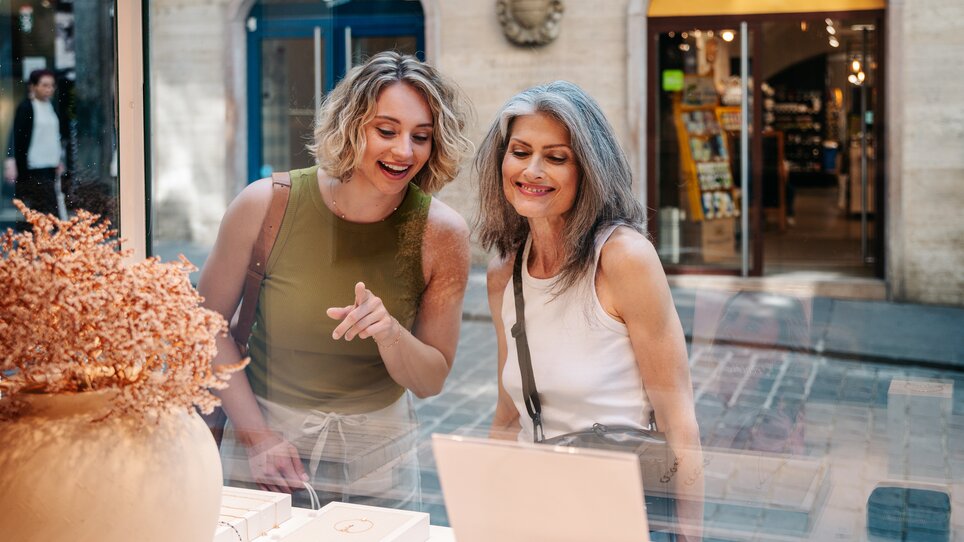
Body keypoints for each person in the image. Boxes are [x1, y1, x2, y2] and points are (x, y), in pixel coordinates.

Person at [197, 52, 473, 509]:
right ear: (350, 125)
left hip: (381, 464)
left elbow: (430, 381)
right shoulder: (265, 205)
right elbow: (204, 327)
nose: (404, 151)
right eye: (386, 131)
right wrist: (257, 437)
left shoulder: (442, 234)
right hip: (269, 455)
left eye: (420, 137)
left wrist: (390, 334)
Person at [478, 81, 703, 541]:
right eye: (520, 152)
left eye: (556, 158)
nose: (531, 170)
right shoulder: (504, 272)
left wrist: (689, 535)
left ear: (589, 171)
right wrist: (483, 515)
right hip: (533, 511)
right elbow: (509, 412)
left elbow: (678, 417)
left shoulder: (623, 259)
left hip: (617, 515)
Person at [9, 69, 65, 228]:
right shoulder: (26, 107)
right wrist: (13, 162)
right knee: (43, 213)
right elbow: (17, 137)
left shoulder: (50, 107)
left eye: (52, 86)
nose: (49, 89)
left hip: (50, 167)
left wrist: (58, 160)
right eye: (44, 85)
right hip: (34, 167)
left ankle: (44, 247)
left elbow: (53, 137)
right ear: (33, 86)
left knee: (46, 213)